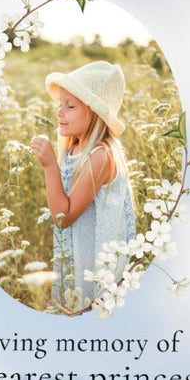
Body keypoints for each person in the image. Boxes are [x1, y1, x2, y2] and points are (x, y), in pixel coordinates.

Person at [31, 60, 136, 312]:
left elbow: (63, 216)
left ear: (94, 113)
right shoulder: (76, 148)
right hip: (78, 254)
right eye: (60, 105)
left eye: (70, 106)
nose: (60, 112)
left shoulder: (100, 155)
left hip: (96, 263)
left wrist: (49, 166)